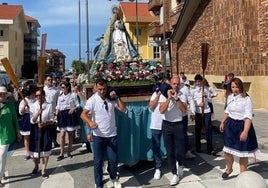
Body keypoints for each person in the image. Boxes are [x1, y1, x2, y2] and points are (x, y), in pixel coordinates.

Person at [80, 79, 126, 188]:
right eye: (99, 89)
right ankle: (99, 183)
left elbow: (123, 109)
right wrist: (90, 123)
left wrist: (117, 97)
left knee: (114, 160)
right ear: (96, 87)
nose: (102, 91)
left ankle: (113, 176)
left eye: (104, 89)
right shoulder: (92, 100)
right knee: (98, 162)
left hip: (111, 135)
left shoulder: (111, 98)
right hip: (98, 136)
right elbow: (83, 114)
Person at [219, 77, 258, 179]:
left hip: (242, 126)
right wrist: (222, 122)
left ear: (240, 86)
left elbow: (248, 117)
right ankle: (229, 168)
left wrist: (245, 131)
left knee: (243, 153)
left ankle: (242, 175)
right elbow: (227, 111)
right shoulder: (230, 97)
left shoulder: (246, 99)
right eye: (232, 87)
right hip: (230, 126)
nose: (235, 89)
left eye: (236, 87)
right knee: (227, 151)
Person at [158, 76, 187, 186]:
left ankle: (180, 165)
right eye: (174, 84)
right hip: (167, 124)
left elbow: (184, 110)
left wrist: (177, 99)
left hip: (178, 124)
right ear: (170, 84)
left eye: (178, 84)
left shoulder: (182, 94)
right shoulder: (164, 94)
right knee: (169, 150)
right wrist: (169, 98)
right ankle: (174, 173)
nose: (176, 86)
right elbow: (161, 110)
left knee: (180, 149)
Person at [29, 89, 55, 179]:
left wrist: (45, 123)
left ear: (44, 95)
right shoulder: (33, 106)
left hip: (46, 129)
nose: (39, 97)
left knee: (45, 150)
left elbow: (52, 119)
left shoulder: (49, 105)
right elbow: (32, 120)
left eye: (40, 95)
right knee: (36, 151)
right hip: (36, 129)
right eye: (37, 96)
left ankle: (43, 170)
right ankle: (36, 166)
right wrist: (37, 113)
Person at [0, 86, 21, 187]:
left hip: (6, 134)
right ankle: (2, 172)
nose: (2, 96)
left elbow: (15, 119)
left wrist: (18, 132)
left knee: (2, 155)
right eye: (0, 94)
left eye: (4, 94)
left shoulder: (10, 105)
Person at [148, 79, 169, 180]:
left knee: (170, 145)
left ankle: (174, 164)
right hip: (156, 125)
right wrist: (158, 95)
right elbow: (151, 107)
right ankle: (158, 167)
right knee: (156, 147)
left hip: (167, 124)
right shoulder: (155, 94)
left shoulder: (170, 94)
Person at [55, 81, 80, 161]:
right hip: (62, 115)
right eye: (61, 87)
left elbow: (77, 105)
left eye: (63, 87)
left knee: (70, 135)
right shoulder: (60, 97)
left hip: (70, 114)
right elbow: (58, 107)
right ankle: (61, 153)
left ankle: (69, 151)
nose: (62, 89)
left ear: (67, 87)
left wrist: (73, 108)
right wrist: (56, 116)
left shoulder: (73, 95)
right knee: (62, 135)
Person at [190, 74, 214, 155]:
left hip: (206, 111)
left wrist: (206, 96)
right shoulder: (192, 91)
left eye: (199, 81)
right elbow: (191, 102)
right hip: (198, 112)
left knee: (208, 129)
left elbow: (210, 100)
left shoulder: (206, 89)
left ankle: (210, 148)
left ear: (201, 81)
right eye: (196, 81)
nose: (198, 83)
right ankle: (198, 147)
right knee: (198, 130)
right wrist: (198, 105)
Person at [18, 84, 37, 160]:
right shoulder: (23, 100)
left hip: (33, 118)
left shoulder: (35, 99)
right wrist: (24, 106)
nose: (34, 94)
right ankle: (27, 152)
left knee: (34, 136)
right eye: (33, 92)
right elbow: (20, 112)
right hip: (26, 119)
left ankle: (34, 151)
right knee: (26, 137)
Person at [43, 75, 60, 148]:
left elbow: (58, 101)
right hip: (45, 111)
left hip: (53, 111)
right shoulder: (43, 89)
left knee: (53, 128)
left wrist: (57, 111)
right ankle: (47, 142)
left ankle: (54, 141)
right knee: (46, 128)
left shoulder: (56, 90)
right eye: (48, 80)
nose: (50, 81)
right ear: (46, 81)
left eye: (51, 80)